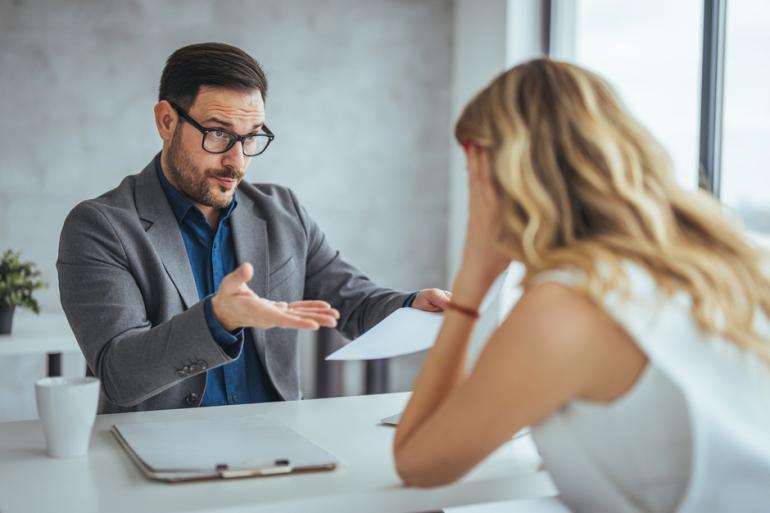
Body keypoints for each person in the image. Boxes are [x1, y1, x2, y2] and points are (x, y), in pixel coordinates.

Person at [393, 58, 770, 513]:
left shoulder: (567, 307)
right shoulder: (724, 262)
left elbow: (417, 462)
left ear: (484, 167)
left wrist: (471, 280)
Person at [57, 42, 449, 414]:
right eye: (219, 134)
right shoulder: (100, 227)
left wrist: (411, 306)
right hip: (156, 451)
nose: (237, 161)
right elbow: (119, 375)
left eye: (252, 137)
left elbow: (353, 302)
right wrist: (217, 319)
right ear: (166, 121)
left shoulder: (283, 212)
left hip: (279, 440)